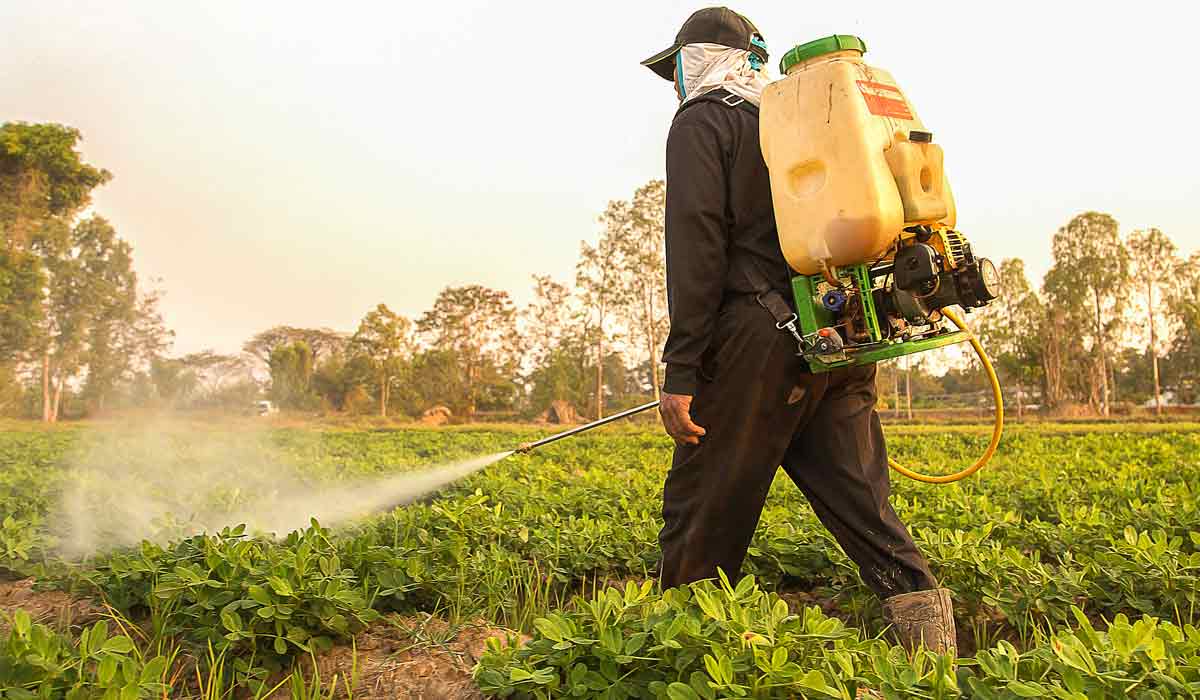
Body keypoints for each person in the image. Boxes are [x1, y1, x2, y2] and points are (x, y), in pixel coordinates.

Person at [641, 6, 956, 653]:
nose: (674, 84)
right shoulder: (799, 127)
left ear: (694, 62)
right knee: (866, 510)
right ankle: (935, 657)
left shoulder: (705, 120)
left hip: (755, 347)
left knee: (702, 511)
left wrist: (682, 372)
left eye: (675, 69)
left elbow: (697, 246)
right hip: (836, 338)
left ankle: (677, 660)